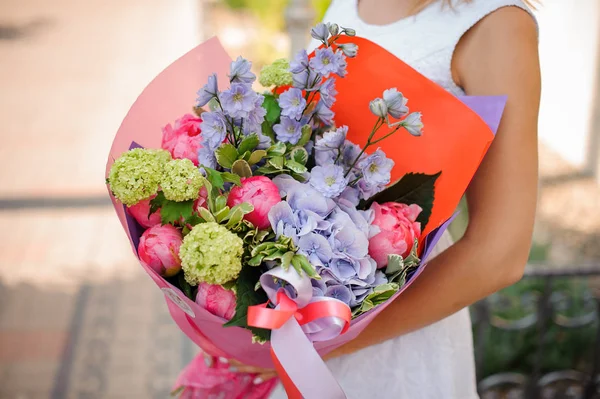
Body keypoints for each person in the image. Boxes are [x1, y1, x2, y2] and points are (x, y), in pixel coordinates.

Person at [226, 0, 541, 397]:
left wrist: (316, 342)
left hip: (397, 336)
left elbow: (500, 254)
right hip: (296, 301)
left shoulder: (497, 24)